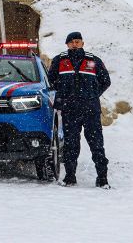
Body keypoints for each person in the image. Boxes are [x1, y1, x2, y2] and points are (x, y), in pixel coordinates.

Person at [47, 31, 112, 188]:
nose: (74, 44)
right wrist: (63, 97)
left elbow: (105, 81)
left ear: (82, 43)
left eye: (77, 41)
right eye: (71, 42)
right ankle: (70, 177)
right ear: (67, 44)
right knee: (70, 145)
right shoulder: (59, 60)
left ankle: (102, 178)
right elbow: (51, 81)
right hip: (70, 111)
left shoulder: (93, 60)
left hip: (91, 111)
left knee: (96, 144)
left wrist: (92, 95)